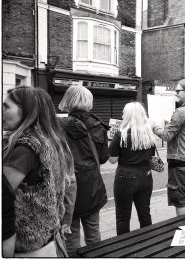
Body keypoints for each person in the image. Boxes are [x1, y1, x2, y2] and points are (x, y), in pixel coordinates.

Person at [2, 86, 73, 256]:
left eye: (6, 106)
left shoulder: (25, 149)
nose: (2, 111)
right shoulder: (51, 141)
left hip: (25, 247)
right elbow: (70, 183)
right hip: (48, 239)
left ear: (27, 111)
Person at [59, 85, 109, 256]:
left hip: (67, 187)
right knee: (93, 231)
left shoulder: (57, 127)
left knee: (70, 235)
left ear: (68, 100)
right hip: (92, 186)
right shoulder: (97, 125)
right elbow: (103, 158)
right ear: (89, 102)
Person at [152, 79, 185, 216]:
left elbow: (167, 136)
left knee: (180, 200)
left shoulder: (180, 112)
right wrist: (170, 123)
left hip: (179, 163)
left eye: (178, 91)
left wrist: (154, 127)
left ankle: (184, 230)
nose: (176, 94)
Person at [108, 102, 157, 235]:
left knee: (123, 217)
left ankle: (124, 247)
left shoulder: (120, 134)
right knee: (145, 213)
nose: (122, 115)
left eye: (124, 113)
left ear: (128, 116)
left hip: (125, 178)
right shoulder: (149, 134)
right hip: (146, 177)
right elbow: (151, 157)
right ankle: (147, 242)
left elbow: (112, 160)